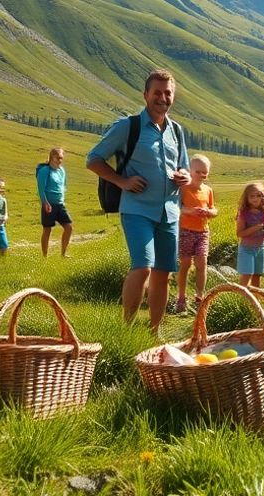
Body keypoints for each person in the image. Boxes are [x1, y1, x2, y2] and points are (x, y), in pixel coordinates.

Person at [86, 68, 190, 333]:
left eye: (168, 93)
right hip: (137, 210)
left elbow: (184, 167)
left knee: (163, 274)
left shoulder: (176, 132)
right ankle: (126, 330)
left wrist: (184, 177)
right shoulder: (127, 127)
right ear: (146, 95)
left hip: (169, 212)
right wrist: (121, 182)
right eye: (157, 92)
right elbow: (93, 159)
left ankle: (153, 333)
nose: (163, 98)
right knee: (143, 266)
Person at [174, 155, 217, 314]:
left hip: (203, 232)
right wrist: (190, 211)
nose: (202, 175)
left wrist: (208, 212)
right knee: (185, 264)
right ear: (190, 171)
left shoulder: (208, 190)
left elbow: (214, 209)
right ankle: (181, 297)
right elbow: (177, 207)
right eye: (198, 171)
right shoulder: (183, 189)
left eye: (205, 172)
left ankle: (200, 296)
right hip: (185, 230)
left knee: (202, 263)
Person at [37, 147, 73, 258]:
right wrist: (45, 202)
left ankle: (63, 253)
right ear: (52, 157)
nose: (60, 160)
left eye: (62, 158)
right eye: (58, 158)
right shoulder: (45, 171)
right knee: (47, 230)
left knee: (69, 227)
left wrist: (62, 199)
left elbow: (63, 185)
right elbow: (41, 189)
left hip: (60, 204)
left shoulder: (61, 170)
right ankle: (44, 256)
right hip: (49, 204)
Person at [235, 182, 264, 288]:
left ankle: (255, 299)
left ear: (262, 197)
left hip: (260, 248)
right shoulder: (244, 213)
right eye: (252, 196)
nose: (255, 199)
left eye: (258, 196)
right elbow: (240, 233)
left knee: (257, 275)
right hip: (246, 249)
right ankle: (241, 298)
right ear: (247, 198)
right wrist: (257, 227)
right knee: (247, 274)